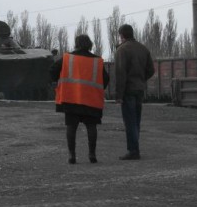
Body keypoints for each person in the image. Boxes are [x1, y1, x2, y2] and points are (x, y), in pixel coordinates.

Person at [50, 35, 108, 164]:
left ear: (76, 44)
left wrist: (55, 82)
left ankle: (72, 155)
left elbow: (52, 70)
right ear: (90, 44)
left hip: (71, 98)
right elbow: (106, 79)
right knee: (92, 127)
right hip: (91, 100)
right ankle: (92, 154)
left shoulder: (67, 58)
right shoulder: (97, 61)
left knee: (71, 127)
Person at [115, 24, 155, 160]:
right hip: (139, 89)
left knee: (130, 121)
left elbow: (120, 74)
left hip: (128, 90)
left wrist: (119, 96)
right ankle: (135, 148)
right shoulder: (143, 48)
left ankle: (133, 150)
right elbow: (151, 70)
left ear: (121, 35)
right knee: (136, 120)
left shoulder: (122, 50)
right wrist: (141, 79)